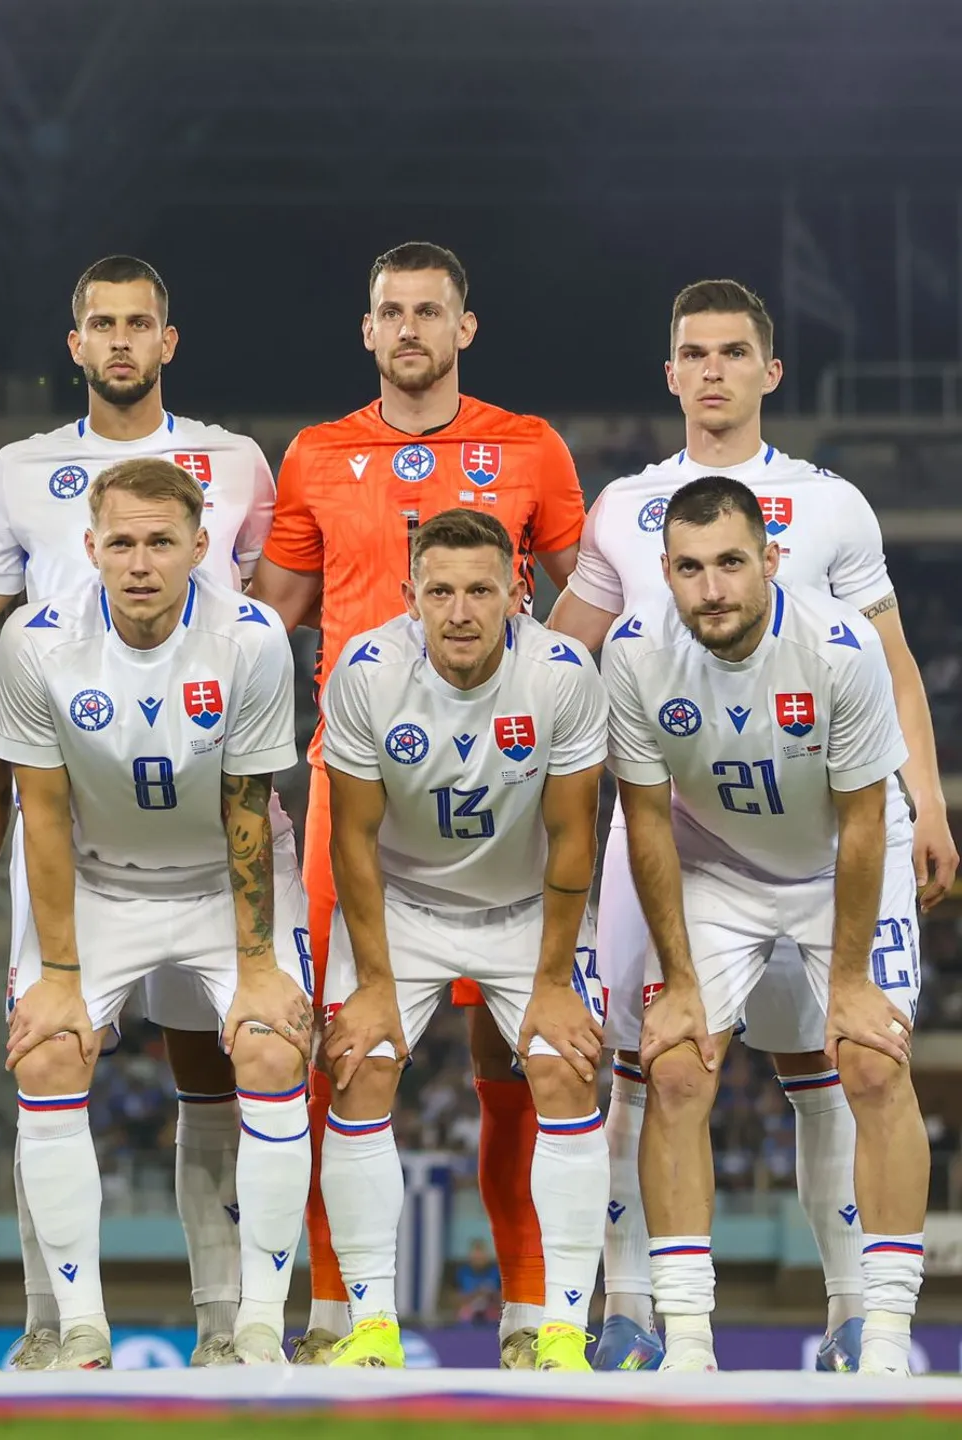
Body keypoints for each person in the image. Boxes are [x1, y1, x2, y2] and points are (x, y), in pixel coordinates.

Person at [547, 279, 957, 1371]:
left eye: (736, 350)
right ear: (670, 371)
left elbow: (895, 663)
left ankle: (856, 1317)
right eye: (695, 351)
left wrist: (931, 795)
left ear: (770, 371)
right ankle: (638, 1313)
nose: (715, 368)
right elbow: (560, 656)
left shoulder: (828, 505)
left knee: (844, 1065)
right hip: (680, 830)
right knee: (645, 1063)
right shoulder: (625, 506)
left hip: (827, 819)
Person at [248, 242, 584, 1366]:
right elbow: (268, 619)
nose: (408, 329)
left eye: (428, 311)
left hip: (507, 797)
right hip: (361, 787)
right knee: (337, 1053)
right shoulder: (314, 456)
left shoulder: (529, 448)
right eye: (389, 311)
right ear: (366, 330)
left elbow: (592, 610)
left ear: (463, 329)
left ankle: (534, 1318)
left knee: (520, 1059)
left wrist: (555, 725)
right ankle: (343, 1315)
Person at [0, 255, 279, 1368]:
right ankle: (62, 1324)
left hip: (201, 812)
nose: (124, 341)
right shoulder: (17, 475)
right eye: (103, 324)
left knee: (239, 1059)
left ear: (168, 340)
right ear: (76, 341)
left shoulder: (236, 464)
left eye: (143, 322)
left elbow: (272, 611)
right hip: (88, 840)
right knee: (47, 1048)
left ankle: (241, 1325)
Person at [602, 475, 926, 1375]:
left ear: (771, 561)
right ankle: (689, 1340)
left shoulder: (839, 645)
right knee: (672, 1068)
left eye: (732, 564)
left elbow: (863, 820)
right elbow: (648, 819)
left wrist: (852, 981)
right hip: (717, 866)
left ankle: (885, 1337)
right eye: (692, 569)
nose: (713, 589)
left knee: (870, 1060)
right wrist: (683, 980)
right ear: (665, 573)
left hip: (839, 865)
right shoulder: (632, 654)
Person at [0, 457, 313, 1370]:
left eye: (162, 542)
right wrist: (58, 976)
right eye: (123, 542)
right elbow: (42, 815)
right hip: (96, 879)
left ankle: (256, 1326)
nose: (141, 562)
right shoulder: (35, 642)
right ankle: (81, 1327)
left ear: (200, 548)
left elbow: (248, 805)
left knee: (269, 1043)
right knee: (51, 1050)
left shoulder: (250, 638)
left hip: (223, 878)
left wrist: (257, 967)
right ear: (90, 548)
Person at [317, 508, 608, 1372]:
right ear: (410, 597)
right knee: (360, 1063)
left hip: (527, 907)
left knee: (565, 1064)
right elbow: (353, 841)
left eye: (482, 589)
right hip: (403, 903)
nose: (460, 611)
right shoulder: (365, 672)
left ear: (522, 591)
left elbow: (574, 836)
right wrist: (371, 982)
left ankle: (560, 1329)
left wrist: (554, 981)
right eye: (439, 591)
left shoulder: (562, 672)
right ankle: (370, 1324)